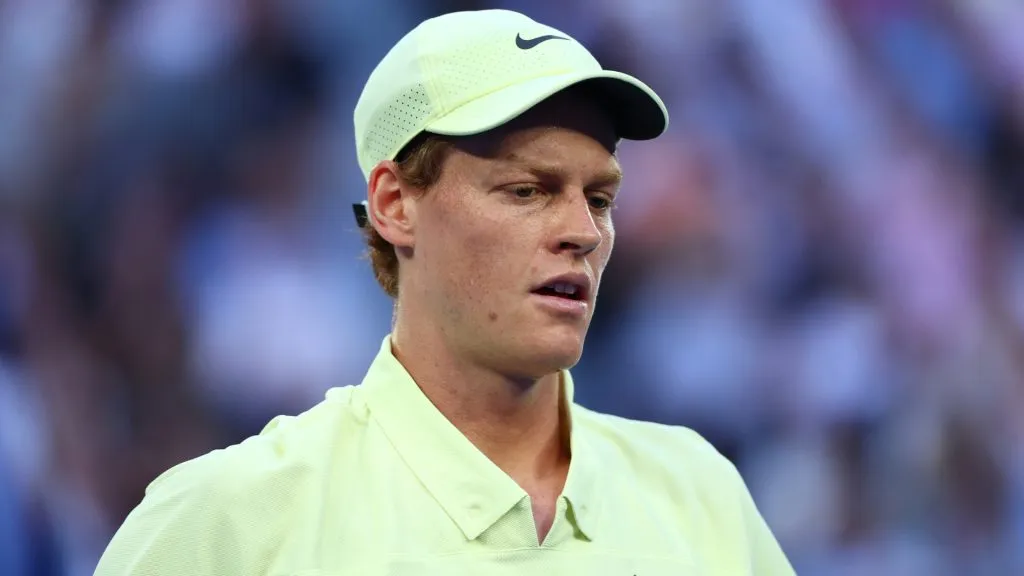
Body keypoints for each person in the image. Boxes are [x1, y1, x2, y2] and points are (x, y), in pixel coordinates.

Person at [94, 9, 795, 575]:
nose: (583, 232)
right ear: (395, 204)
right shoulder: (231, 524)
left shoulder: (700, 497)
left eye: (601, 198)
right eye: (527, 191)